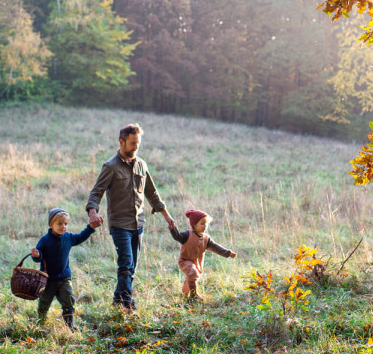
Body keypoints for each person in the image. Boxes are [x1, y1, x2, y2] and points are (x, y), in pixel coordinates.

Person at [86, 123, 177, 311]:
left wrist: (167, 216)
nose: (136, 147)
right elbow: (96, 192)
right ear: (122, 142)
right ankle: (128, 305)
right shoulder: (110, 167)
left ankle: (117, 299)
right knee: (126, 265)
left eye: (138, 143)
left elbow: (152, 193)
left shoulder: (142, 165)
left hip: (139, 223)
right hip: (120, 225)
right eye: (133, 143)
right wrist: (92, 212)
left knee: (131, 268)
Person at [30, 207, 101, 331]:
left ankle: (69, 324)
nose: (63, 226)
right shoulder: (45, 240)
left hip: (64, 277)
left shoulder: (68, 237)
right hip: (48, 279)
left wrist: (91, 227)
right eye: (59, 224)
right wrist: (36, 255)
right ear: (51, 224)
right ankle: (41, 321)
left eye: (66, 224)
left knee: (68, 299)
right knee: (45, 301)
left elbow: (80, 237)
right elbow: (39, 256)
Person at [172, 208, 237, 302]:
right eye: (202, 224)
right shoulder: (187, 235)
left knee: (190, 279)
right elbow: (177, 237)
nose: (205, 226)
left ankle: (184, 296)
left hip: (197, 263)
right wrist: (173, 229)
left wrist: (228, 253)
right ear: (194, 225)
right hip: (185, 261)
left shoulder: (206, 238)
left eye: (206, 224)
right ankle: (194, 295)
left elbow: (216, 248)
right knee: (192, 273)